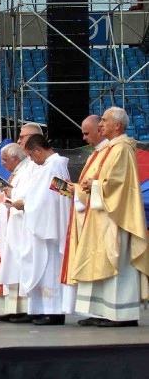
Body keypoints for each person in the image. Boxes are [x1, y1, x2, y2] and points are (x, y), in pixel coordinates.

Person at [67, 107, 149, 327]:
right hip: (101, 215)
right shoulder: (109, 149)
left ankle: (121, 314)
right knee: (99, 261)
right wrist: (85, 187)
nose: (100, 124)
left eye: (104, 120)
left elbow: (118, 186)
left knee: (117, 262)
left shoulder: (122, 149)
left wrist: (92, 185)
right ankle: (101, 311)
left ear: (118, 126)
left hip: (117, 217)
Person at [0, 123, 42, 323]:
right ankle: (15, 308)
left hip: (25, 223)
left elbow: (28, 195)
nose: (19, 140)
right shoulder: (25, 167)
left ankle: (27, 309)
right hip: (14, 221)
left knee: (24, 265)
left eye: (22, 136)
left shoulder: (35, 166)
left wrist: (5, 201)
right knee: (14, 265)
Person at [15, 134, 71, 325]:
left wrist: (25, 204)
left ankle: (54, 312)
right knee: (44, 267)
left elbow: (51, 196)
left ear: (38, 149)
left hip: (50, 225)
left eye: (31, 155)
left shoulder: (54, 165)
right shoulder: (48, 166)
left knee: (51, 268)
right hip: (45, 222)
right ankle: (44, 309)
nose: (32, 159)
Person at [60, 115, 106, 317]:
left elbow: (111, 187)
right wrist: (77, 189)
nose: (84, 138)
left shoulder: (113, 152)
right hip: (89, 217)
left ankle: (100, 312)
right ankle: (92, 312)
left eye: (87, 133)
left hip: (101, 219)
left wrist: (82, 188)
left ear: (100, 130)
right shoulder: (96, 154)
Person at [0, 142, 28, 323]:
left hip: (17, 226)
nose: (2, 164)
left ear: (16, 159)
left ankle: (21, 309)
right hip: (7, 224)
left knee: (15, 265)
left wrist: (2, 203)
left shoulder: (25, 172)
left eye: (5, 160)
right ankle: (9, 309)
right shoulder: (17, 173)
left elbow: (21, 199)